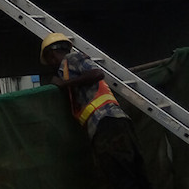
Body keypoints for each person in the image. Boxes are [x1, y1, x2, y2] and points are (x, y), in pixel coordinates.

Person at [40, 33, 152, 189]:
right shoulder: (68, 72)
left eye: (49, 61)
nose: (51, 65)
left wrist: (64, 84)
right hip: (114, 123)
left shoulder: (71, 59)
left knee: (122, 179)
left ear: (52, 55)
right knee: (136, 176)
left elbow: (97, 73)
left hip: (106, 124)